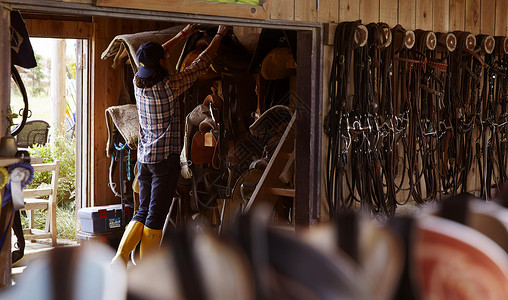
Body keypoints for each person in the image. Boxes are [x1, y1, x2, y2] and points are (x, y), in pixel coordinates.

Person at [112, 24, 230, 266]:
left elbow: (156, 55)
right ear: (163, 63)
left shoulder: (138, 81)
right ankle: (148, 270)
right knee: (156, 216)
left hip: (144, 160)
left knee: (142, 211)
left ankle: (120, 258)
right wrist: (219, 34)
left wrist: (183, 34)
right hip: (164, 162)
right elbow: (202, 62)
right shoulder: (168, 86)